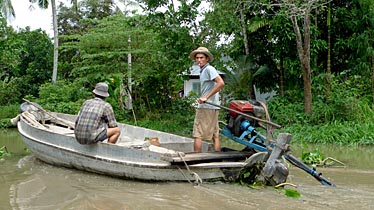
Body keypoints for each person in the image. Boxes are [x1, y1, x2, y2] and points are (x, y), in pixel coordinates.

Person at [189, 47, 225, 152]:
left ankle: (196, 158)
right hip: (213, 106)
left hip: (206, 106)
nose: (199, 60)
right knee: (215, 134)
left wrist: (206, 97)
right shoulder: (204, 70)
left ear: (207, 59)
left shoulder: (209, 69)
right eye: (197, 58)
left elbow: (221, 83)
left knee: (198, 133)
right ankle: (217, 157)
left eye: (201, 58)